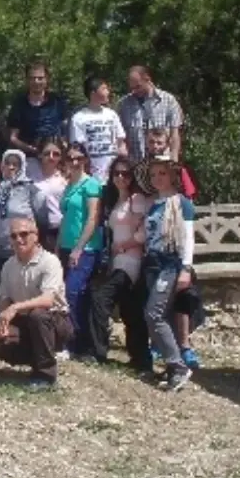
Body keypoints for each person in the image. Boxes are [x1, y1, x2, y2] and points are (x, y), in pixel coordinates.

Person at [0, 218, 73, 391]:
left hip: (55, 320)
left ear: (36, 236)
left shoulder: (50, 261)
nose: (19, 239)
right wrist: (2, 320)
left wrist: (14, 308)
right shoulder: (8, 265)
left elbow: (47, 300)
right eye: (13, 236)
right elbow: (4, 298)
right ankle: (37, 358)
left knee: (39, 315)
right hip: (25, 320)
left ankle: (46, 375)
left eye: (24, 234)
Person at [139, 155, 196, 391]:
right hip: (153, 263)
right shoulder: (155, 204)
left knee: (154, 314)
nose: (157, 178)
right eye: (153, 175)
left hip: (170, 264)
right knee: (162, 315)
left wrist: (185, 268)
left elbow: (188, 237)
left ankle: (178, 365)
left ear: (172, 175)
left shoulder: (181, 203)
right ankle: (173, 365)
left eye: (162, 173)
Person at [88, 157, 151, 369]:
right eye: (117, 173)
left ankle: (98, 351)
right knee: (130, 309)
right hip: (118, 261)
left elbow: (145, 231)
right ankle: (141, 358)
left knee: (100, 297)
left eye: (126, 174)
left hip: (131, 260)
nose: (121, 177)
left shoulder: (137, 200)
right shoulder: (117, 201)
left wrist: (125, 245)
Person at [0, 150, 48, 310]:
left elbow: (42, 219)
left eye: (15, 164)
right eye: (7, 163)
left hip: (21, 248)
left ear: (22, 166)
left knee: (22, 290)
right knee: (4, 292)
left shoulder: (30, 189)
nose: (11, 167)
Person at [57, 143, 103, 360]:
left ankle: (77, 342)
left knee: (73, 292)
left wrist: (79, 248)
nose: (74, 162)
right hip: (65, 245)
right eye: (70, 158)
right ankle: (74, 341)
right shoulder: (68, 186)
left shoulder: (91, 184)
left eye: (78, 158)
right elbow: (66, 219)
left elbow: (93, 217)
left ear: (85, 159)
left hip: (86, 247)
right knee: (68, 295)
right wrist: (58, 246)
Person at [8, 62, 71, 179]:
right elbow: (13, 137)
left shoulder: (57, 101)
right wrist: (33, 150)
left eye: (40, 78)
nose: (36, 81)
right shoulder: (19, 104)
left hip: (55, 158)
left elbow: (65, 130)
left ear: (47, 79)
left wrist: (64, 148)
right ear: (27, 80)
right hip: (30, 160)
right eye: (32, 78)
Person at [118, 65, 185, 161]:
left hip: (161, 164)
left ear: (147, 79)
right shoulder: (124, 104)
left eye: (138, 86)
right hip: (135, 164)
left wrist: (174, 160)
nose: (135, 91)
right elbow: (120, 136)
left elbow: (175, 134)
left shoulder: (168, 100)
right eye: (132, 88)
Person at [70, 77, 127, 180]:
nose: (108, 92)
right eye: (104, 89)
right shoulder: (78, 118)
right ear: (93, 93)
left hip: (114, 175)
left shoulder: (111, 114)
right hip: (91, 174)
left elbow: (120, 141)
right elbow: (77, 147)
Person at [34, 137, 69, 251]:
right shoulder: (30, 173)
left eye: (56, 154)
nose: (51, 157)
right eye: (47, 153)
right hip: (37, 230)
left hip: (61, 229)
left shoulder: (66, 177)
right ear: (40, 155)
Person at [142, 128, 197, 199]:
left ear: (167, 144)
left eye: (159, 143)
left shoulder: (175, 167)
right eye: (151, 142)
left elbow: (189, 194)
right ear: (146, 143)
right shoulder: (141, 167)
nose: (155, 146)